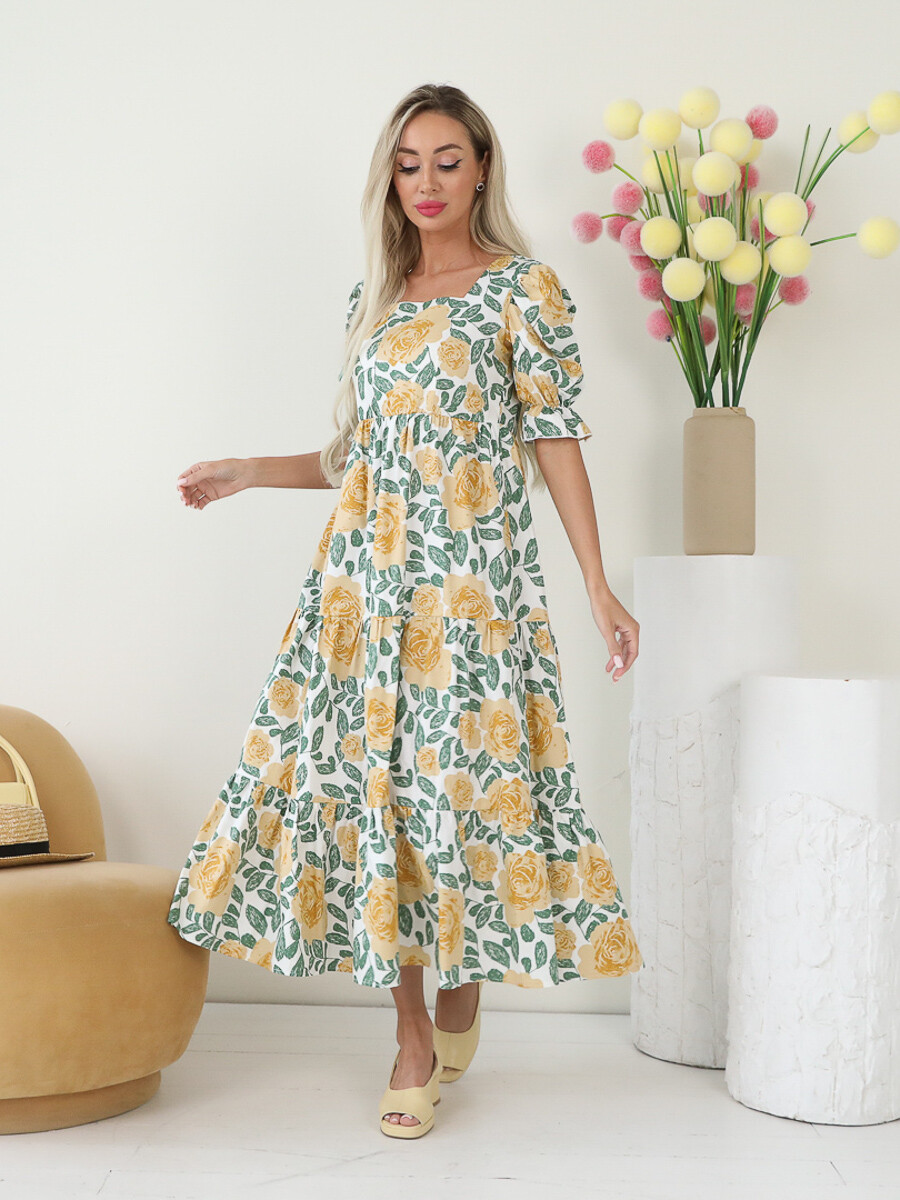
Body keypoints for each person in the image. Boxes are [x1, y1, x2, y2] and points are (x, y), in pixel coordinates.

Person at [166, 82, 643, 1139]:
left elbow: (555, 438)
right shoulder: (373, 299)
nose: (426, 182)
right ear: (391, 177)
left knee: (456, 791)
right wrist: (249, 470)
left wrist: (597, 582)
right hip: (367, 589)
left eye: (447, 161)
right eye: (408, 163)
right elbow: (359, 456)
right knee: (377, 794)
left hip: (473, 593)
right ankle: (411, 1035)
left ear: (481, 169)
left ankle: (464, 980)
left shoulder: (523, 289)